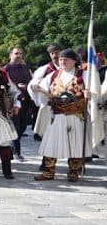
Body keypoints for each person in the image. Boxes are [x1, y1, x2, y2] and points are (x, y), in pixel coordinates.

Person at [34, 49, 90, 182]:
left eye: (66, 60)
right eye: (60, 60)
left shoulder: (84, 75)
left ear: (74, 61)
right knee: (51, 144)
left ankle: (73, 172)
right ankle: (48, 172)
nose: (62, 62)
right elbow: (42, 90)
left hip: (75, 115)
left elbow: (94, 92)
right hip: (57, 115)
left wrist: (90, 94)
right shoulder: (53, 75)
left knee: (75, 144)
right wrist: (36, 89)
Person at [28, 44, 61, 148]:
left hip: (66, 106)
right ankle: (47, 159)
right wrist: (36, 88)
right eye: (52, 53)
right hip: (49, 105)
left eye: (57, 52)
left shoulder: (70, 69)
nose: (55, 55)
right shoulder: (45, 69)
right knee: (48, 133)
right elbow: (33, 85)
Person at [3, 47, 32, 159]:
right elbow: (4, 85)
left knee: (23, 126)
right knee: (15, 125)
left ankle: (12, 147)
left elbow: (30, 80)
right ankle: (17, 152)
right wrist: (15, 87)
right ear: (10, 55)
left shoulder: (25, 67)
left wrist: (27, 85)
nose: (18, 55)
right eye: (16, 53)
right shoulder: (6, 69)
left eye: (20, 53)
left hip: (25, 100)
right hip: (13, 102)